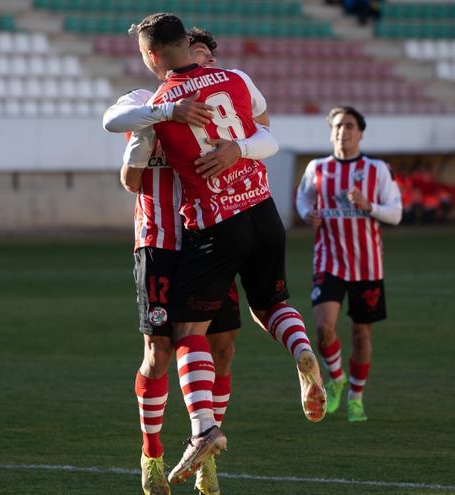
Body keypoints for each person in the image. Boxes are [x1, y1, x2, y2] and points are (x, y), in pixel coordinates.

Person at [117, 12, 327, 485]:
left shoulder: (226, 83)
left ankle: (205, 446)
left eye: (211, 55)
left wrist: (237, 148)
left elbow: (264, 133)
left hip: (209, 234)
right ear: (181, 51)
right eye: (198, 52)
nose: (206, 60)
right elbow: (128, 172)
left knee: (221, 345)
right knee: (163, 348)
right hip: (163, 240)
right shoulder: (150, 103)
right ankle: (154, 452)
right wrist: (158, 122)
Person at [295, 106, 402, 422]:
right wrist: (306, 214)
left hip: (367, 265)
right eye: (339, 126)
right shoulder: (317, 167)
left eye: (350, 126)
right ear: (331, 132)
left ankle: (356, 395)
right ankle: (338, 378)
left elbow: (395, 213)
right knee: (324, 327)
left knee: (361, 335)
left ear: (361, 133)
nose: (344, 131)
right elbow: (303, 198)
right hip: (328, 260)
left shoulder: (376, 169)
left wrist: (370, 206)